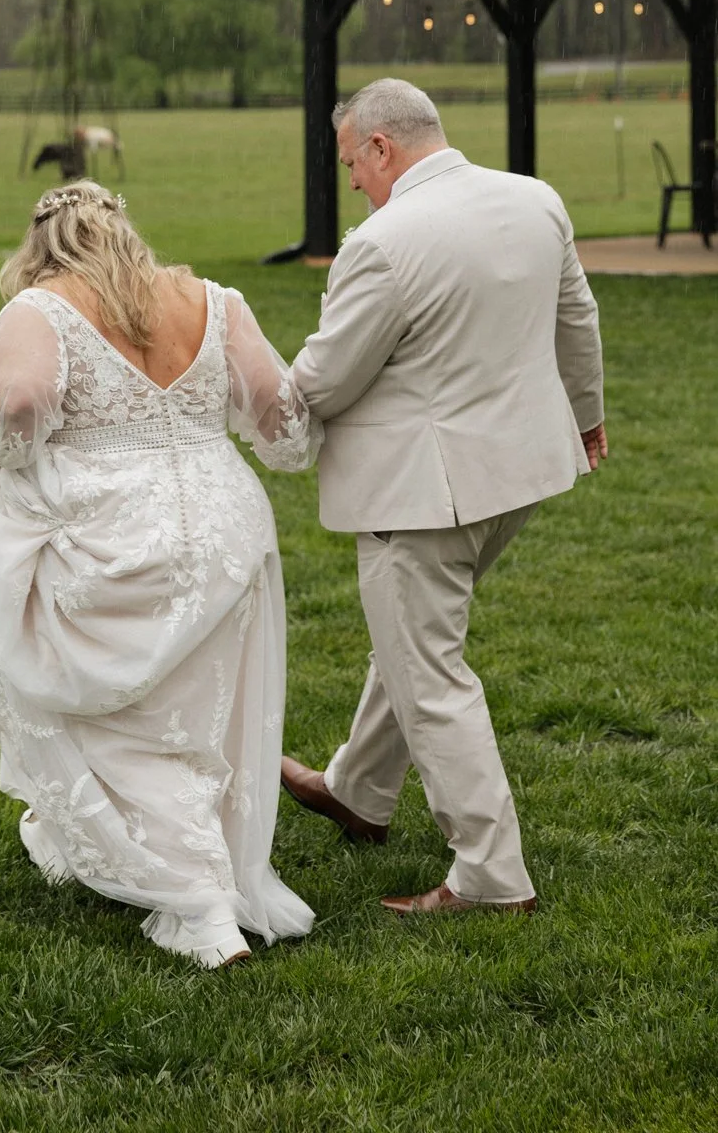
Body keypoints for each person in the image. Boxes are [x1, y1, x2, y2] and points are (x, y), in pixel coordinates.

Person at [0, 180, 316, 967]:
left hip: (106, 530)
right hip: (223, 526)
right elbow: (276, 405)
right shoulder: (212, 299)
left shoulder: (42, 307)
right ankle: (171, 858)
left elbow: (21, 400)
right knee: (201, 711)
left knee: (113, 713)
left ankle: (199, 908)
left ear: (40, 248)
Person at [282, 78, 606, 915]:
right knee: (415, 639)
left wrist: (253, 391)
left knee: (428, 671)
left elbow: (325, 376)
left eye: (352, 160)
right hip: (523, 473)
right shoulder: (533, 199)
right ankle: (357, 789)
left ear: (382, 147)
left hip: (422, 495)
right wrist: (588, 415)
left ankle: (491, 878)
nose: (351, 178)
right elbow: (578, 317)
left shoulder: (383, 241)